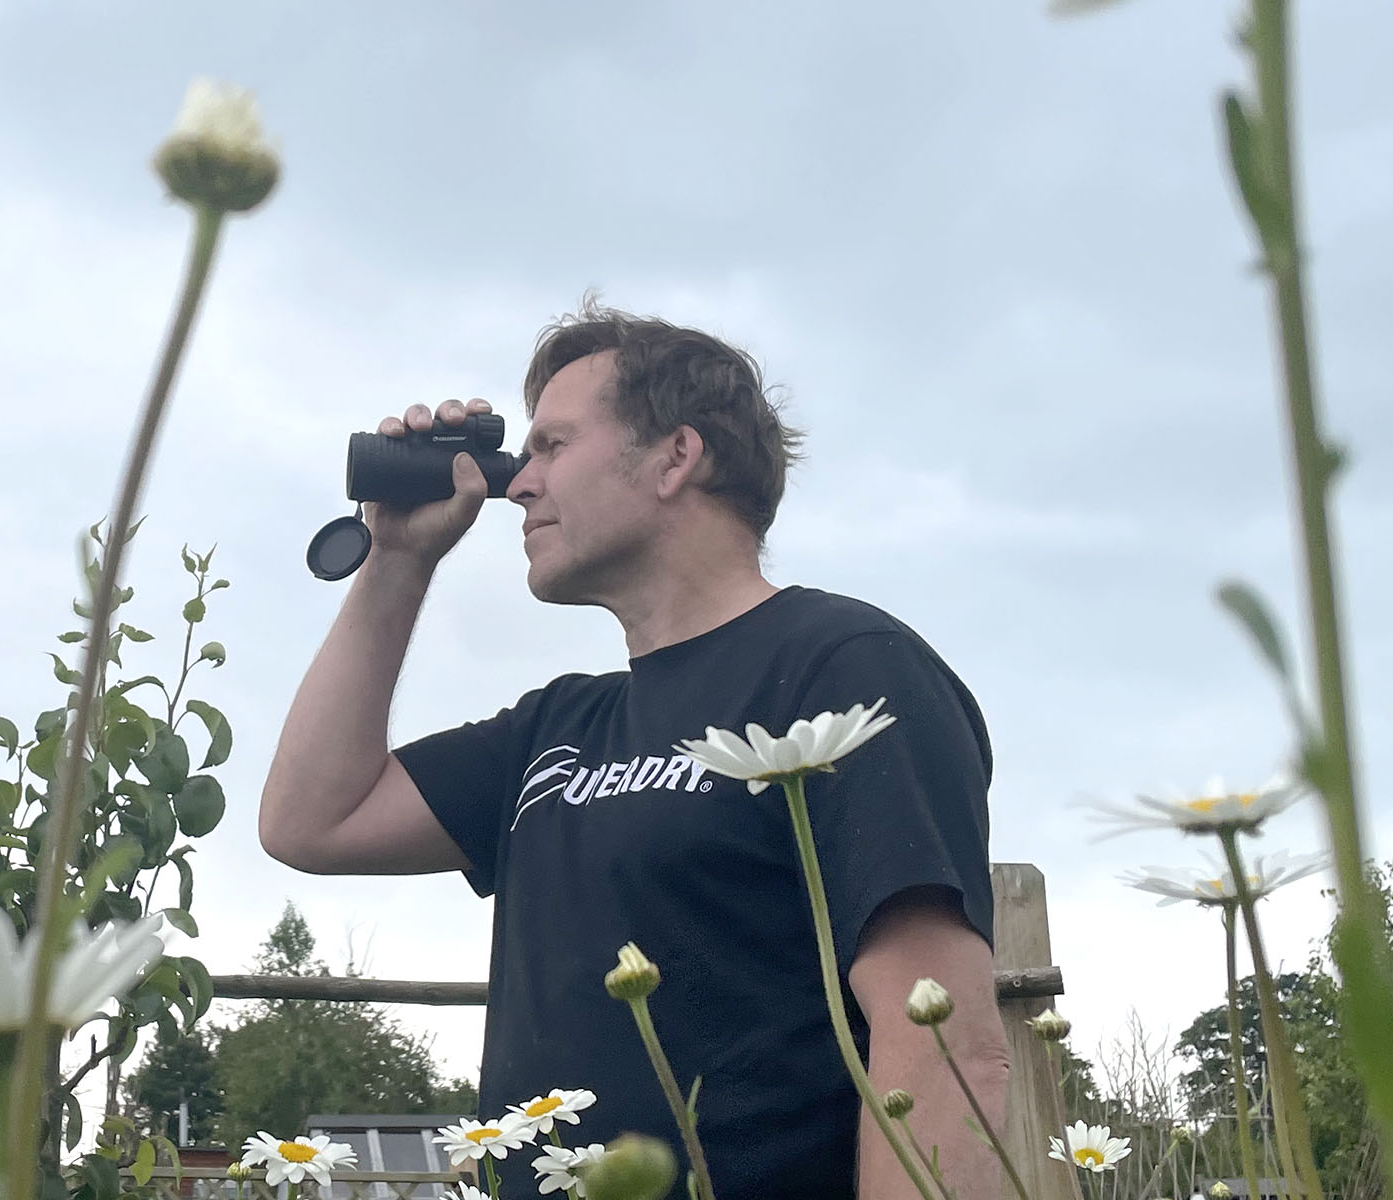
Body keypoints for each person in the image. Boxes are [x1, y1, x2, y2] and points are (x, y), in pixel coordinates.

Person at [258, 305, 1007, 1200]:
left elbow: (938, 1035)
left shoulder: (839, 665)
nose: (516, 486)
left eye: (551, 446)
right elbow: (311, 821)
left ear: (674, 457)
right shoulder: (557, 730)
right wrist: (396, 560)